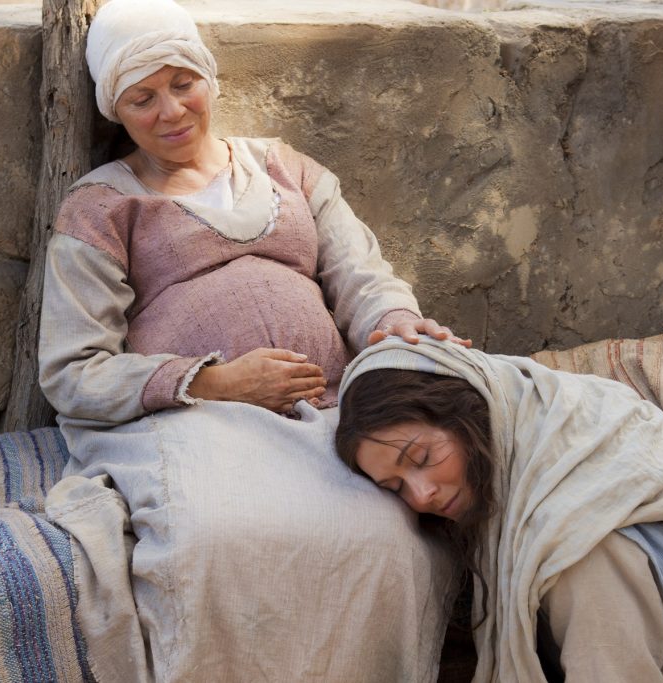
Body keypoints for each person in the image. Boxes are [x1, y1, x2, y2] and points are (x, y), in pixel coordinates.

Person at [37, 0, 467, 680]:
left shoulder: (285, 169)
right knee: (219, 537)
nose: (171, 111)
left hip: (325, 412)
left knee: (389, 536)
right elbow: (73, 370)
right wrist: (216, 381)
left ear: (209, 78)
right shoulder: (101, 208)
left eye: (183, 84)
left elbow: (360, 275)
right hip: (194, 423)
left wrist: (394, 321)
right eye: (143, 99)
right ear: (115, 110)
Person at [335, 337, 663, 682]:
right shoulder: (562, 460)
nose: (421, 496)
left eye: (422, 458)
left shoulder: (580, 550)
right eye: (394, 486)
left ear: (471, 415)